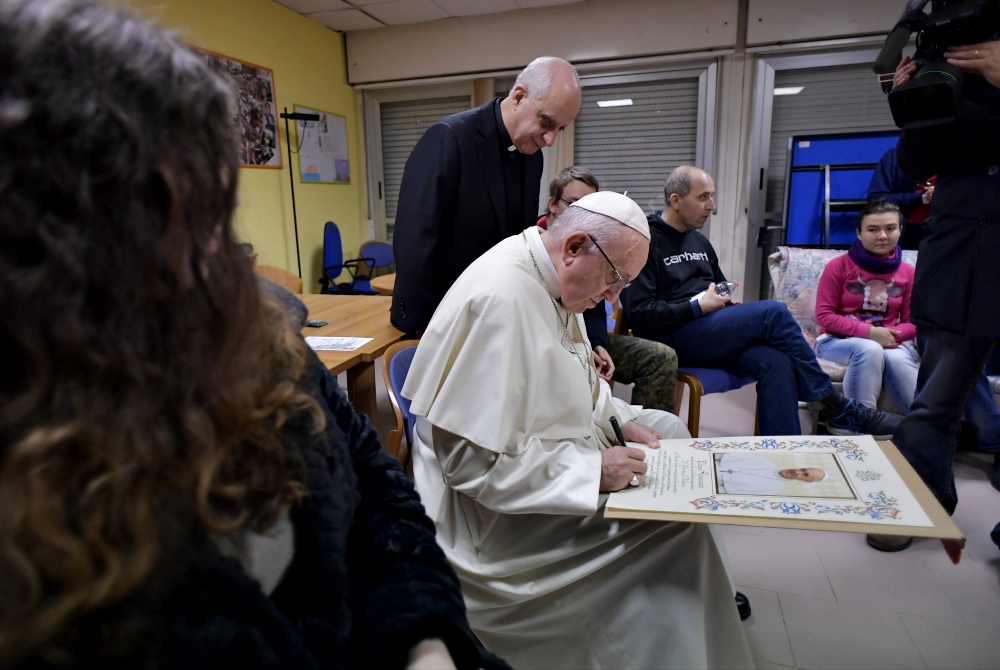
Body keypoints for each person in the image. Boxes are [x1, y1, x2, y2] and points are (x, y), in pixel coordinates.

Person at [0, 2, 505, 668]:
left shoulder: (252, 321)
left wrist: (425, 636)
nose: (223, 231)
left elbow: (374, 483)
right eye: (176, 205)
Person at [401, 192, 753, 669]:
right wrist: (591, 471)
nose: (614, 298)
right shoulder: (500, 300)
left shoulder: (552, 275)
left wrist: (619, 420)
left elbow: (579, 378)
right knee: (675, 529)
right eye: (616, 279)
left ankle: (704, 597)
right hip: (485, 522)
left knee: (666, 425)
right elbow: (468, 465)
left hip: (548, 450)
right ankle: (672, 617)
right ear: (575, 246)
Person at [623, 166, 902, 438]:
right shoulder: (644, 242)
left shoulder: (698, 241)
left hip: (708, 330)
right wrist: (697, 307)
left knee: (776, 361)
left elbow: (717, 285)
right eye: (703, 197)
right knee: (773, 312)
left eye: (712, 195)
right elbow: (640, 315)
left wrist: (723, 297)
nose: (712, 205)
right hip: (671, 340)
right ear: (676, 200)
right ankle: (835, 405)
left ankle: (784, 455)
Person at [871, 42, 1000, 553]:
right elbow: (912, 164)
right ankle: (918, 502)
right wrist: (913, 105)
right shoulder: (955, 72)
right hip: (960, 249)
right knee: (933, 400)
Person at [390, 56, 582, 337]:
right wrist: (421, 327)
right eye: (546, 122)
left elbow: (517, 240)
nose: (550, 139)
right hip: (440, 316)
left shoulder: (532, 157)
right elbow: (414, 242)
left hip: (494, 313)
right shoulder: (449, 138)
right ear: (519, 96)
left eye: (560, 129)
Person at [540, 166, 681, 413]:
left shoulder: (595, 243)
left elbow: (594, 311)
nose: (582, 214)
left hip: (587, 335)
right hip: (548, 339)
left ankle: (649, 438)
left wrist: (596, 344)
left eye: (589, 207)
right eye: (573, 205)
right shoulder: (536, 244)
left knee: (660, 357)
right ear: (552, 204)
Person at [815, 200, 919, 415]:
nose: (882, 236)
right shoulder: (839, 266)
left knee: (898, 358)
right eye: (873, 230)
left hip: (889, 342)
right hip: (836, 341)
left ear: (900, 230)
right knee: (869, 348)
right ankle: (858, 423)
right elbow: (824, 316)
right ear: (859, 233)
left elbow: (913, 322)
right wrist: (870, 334)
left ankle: (925, 427)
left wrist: (889, 337)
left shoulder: (908, 272)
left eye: (890, 228)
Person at [867, 147, 935, 250]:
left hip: (944, 231)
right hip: (904, 232)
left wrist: (942, 193)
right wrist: (921, 198)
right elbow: (876, 198)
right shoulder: (894, 156)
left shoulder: (956, 157)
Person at [717, 454, 827, 495]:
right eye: (803, 469)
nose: (797, 471)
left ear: (805, 481)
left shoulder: (771, 489)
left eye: (804, 475)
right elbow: (721, 456)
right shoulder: (765, 462)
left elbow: (726, 492)